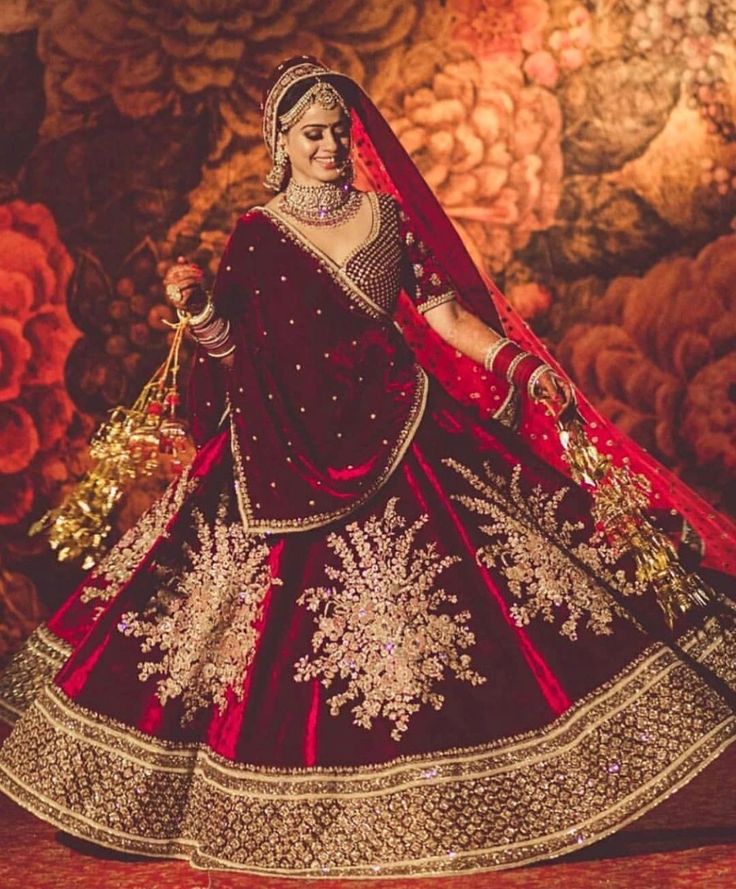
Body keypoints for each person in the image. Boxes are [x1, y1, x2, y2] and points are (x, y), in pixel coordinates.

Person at [0, 55, 734, 879]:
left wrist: (520, 368)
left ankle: (467, 796)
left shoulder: (387, 220)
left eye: (339, 134)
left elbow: (448, 319)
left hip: (398, 427)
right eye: (312, 135)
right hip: (279, 452)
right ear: (280, 140)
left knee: (491, 610)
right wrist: (201, 312)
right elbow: (235, 352)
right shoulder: (257, 232)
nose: (329, 148)